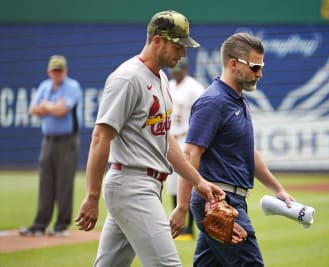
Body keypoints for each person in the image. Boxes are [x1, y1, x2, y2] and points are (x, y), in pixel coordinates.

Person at [74, 10, 225, 267]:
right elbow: (100, 137)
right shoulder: (127, 78)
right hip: (132, 185)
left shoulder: (161, 78)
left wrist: (198, 181)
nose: (183, 54)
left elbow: (165, 140)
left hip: (146, 185)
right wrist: (91, 195)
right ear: (158, 41)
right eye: (178, 45)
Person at [169, 33, 295, 266]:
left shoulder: (238, 100)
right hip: (219, 202)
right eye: (255, 67)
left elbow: (248, 152)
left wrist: (278, 189)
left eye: (261, 67)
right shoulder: (213, 101)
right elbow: (190, 154)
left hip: (230, 199)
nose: (260, 73)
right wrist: (182, 207)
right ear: (233, 63)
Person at [19, 55, 82, 237]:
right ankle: (40, 224)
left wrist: (45, 106)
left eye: (60, 70)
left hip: (67, 140)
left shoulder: (72, 86)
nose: (57, 73)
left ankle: (61, 226)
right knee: (45, 182)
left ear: (65, 71)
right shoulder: (44, 86)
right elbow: (32, 110)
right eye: (54, 70)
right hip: (48, 140)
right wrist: (50, 106)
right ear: (49, 72)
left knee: (64, 182)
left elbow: (63, 111)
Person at [167, 57, 205, 240]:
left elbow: (204, 111)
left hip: (187, 138)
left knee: (188, 181)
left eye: (178, 68)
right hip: (171, 139)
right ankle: (179, 226)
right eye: (173, 67)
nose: (175, 71)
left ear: (186, 69)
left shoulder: (195, 88)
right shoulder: (169, 85)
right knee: (173, 184)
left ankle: (190, 227)